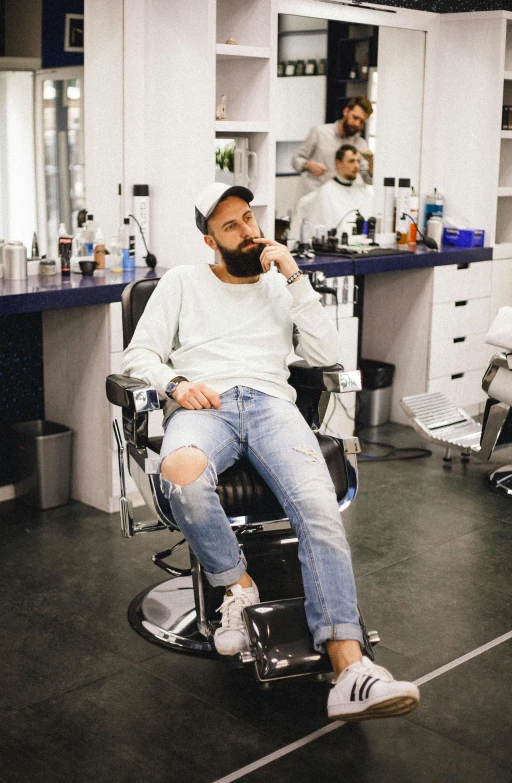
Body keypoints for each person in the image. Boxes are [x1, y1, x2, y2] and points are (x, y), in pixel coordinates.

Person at [121, 182, 419, 722]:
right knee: (183, 474)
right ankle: (236, 586)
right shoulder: (182, 282)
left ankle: (349, 667)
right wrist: (176, 382)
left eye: (250, 219)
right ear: (210, 239)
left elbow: (327, 355)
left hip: (271, 405)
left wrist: (296, 280)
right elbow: (139, 354)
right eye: (230, 225)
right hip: (204, 404)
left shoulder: (283, 285)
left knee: (319, 508)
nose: (248, 231)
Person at [292, 96, 374, 202]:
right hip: (312, 199)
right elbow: (295, 160)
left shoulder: (360, 144)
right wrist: (309, 165)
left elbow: (369, 180)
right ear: (346, 111)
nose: (357, 124)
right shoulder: (319, 132)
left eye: (362, 122)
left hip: (339, 202)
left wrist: (371, 161)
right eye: (355, 118)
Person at [291, 144, 374, 239]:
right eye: (351, 161)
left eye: (358, 161)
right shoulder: (324, 194)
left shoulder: (362, 192)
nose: (356, 166)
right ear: (338, 163)